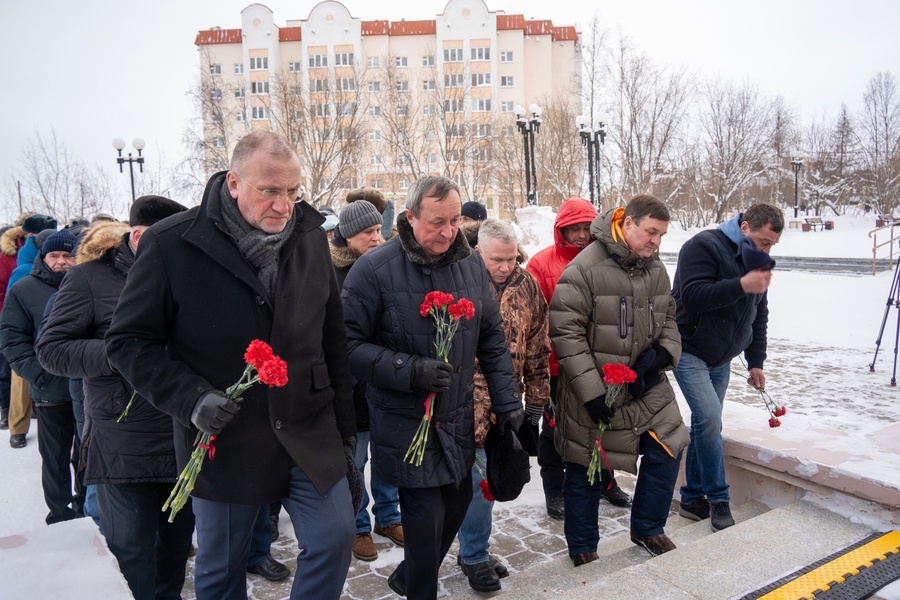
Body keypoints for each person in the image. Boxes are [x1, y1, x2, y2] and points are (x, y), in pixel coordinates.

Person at [105, 131, 356, 600]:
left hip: (306, 427)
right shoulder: (170, 243)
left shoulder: (308, 237)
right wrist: (191, 398)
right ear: (234, 183)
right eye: (271, 191)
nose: (285, 206)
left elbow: (332, 341)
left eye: (293, 192)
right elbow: (128, 342)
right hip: (224, 440)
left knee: (335, 539)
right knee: (221, 574)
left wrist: (345, 435)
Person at [341, 175, 523, 599]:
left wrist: (508, 401)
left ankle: (408, 577)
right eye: (435, 222)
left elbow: (491, 338)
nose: (447, 232)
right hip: (405, 423)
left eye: (455, 221)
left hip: (457, 418)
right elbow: (346, 347)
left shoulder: (470, 264)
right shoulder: (373, 269)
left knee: (457, 506)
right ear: (409, 217)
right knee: (424, 524)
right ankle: (420, 588)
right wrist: (410, 370)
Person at [36, 198, 196, 600]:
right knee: (132, 556)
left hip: (184, 439)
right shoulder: (89, 278)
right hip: (123, 445)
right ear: (142, 236)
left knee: (175, 553)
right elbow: (52, 350)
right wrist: (124, 353)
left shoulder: (189, 276)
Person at [550, 194, 689, 562]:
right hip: (596, 391)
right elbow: (566, 333)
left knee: (668, 447)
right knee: (587, 469)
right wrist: (593, 393)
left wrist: (661, 354)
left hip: (645, 387)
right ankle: (583, 549)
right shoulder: (584, 269)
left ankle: (648, 528)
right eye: (650, 232)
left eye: (661, 235)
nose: (656, 242)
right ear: (627, 224)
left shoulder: (655, 268)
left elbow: (670, 317)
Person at [672, 203, 782, 532]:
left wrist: (756, 362)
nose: (767, 249)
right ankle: (719, 498)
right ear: (745, 227)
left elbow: (758, 313)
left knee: (706, 424)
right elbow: (691, 296)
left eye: (772, 245)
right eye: (763, 241)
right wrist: (742, 285)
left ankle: (692, 498)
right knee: (709, 419)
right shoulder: (703, 245)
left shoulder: (756, 258)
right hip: (689, 347)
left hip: (722, 356)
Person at [456, 218, 550, 592]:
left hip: (505, 406)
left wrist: (536, 405)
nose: (506, 266)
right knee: (473, 483)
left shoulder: (527, 285)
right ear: (479, 251)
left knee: (488, 481)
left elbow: (539, 348)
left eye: (512, 258)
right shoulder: (459, 280)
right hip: (461, 403)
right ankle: (471, 554)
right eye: (498, 259)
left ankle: (473, 550)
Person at [525, 198, 630, 519]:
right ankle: (554, 489)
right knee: (556, 430)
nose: (582, 234)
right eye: (575, 228)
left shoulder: (610, 261)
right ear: (562, 230)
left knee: (604, 426)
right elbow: (533, 320)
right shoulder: (541, 265)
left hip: (600, 365)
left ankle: (604, 480)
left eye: (587, 227)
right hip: (557, 367)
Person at [330, 199, 404, 562]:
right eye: (367, 233)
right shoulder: (332, 275)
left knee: (387, 457)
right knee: (355, 462)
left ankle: (388, 518)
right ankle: (358, 526)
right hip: (351, 389)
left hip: (386, 380)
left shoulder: (388, 268)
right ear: (347, 236)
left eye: (378, 230)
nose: (376, 238)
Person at [1, 228, 84, 523]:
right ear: (43, 257)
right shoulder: (24, 290)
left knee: (85, 455)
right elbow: (12, 339)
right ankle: (59, 515)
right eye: (55, 255)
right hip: (50, 391)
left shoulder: (87, 284)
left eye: (67, 255)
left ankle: (84, 508)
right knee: (55, 459)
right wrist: (38, 375)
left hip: (87, 390)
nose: (61, 261)